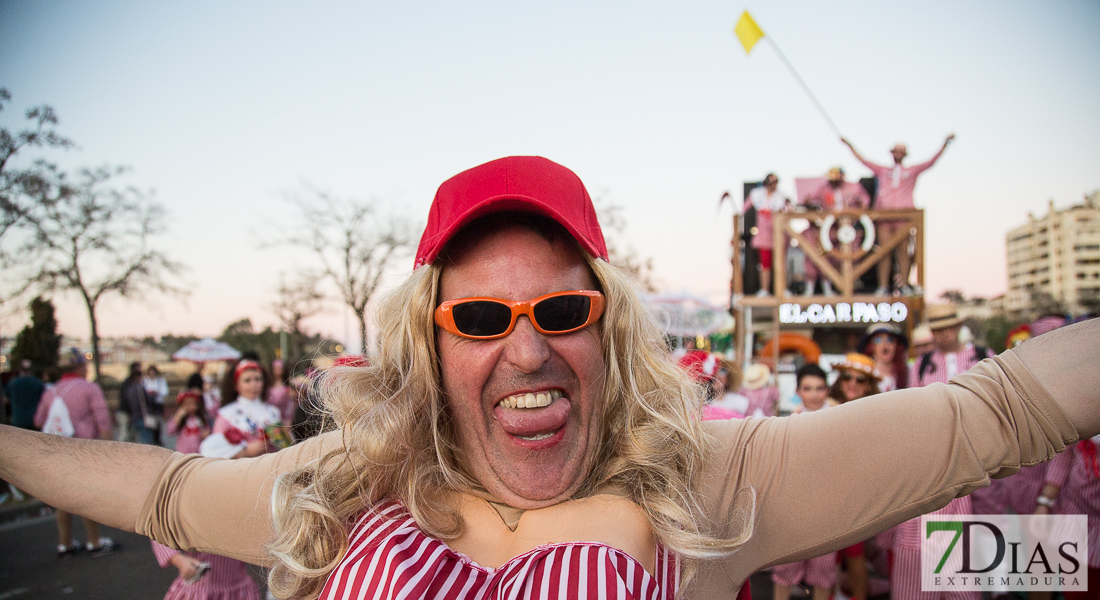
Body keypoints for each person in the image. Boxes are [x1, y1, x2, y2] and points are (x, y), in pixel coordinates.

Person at [0, 156, 1096, 600]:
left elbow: (990, 412)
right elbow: (162, 491)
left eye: (559, 311)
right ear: (429, 345)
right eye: (479, 317)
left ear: (605, 329)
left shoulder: (710, 481)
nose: (524, 351)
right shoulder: (351, 480)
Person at [841, 135, 954, 295]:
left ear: (905, 155)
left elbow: (931, 162)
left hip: (904, 219)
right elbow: (863, 160)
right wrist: (849, 145)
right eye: (896, 151)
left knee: (903, 252)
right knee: (883, 252)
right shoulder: (883, 171)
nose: (898, 154)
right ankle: (883, 286)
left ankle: (904, 285)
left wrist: (944, 145)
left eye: (900, 152)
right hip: (884, 218)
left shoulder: (912, 171)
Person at [33, 354, 119, 557]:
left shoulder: (51, 392)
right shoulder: (90, 388)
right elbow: (103, 421)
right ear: (80, 368)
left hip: (57, 451)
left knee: (61, 498)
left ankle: (65, 543)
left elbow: (38, 421)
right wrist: (110, 450)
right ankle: (94, 541)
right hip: (84, 449)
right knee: (86, 496)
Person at [772, 364, 835, 600]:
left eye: (819, 388)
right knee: (786, 568)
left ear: (827, 390)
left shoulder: (842, 417)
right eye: (808, 388)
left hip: (829, 504)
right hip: (795, 505)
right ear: (798, 391)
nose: (814, 394)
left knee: (823, 569)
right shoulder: (790, 422)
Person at [201, 359, 283, 459]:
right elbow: (213, 451)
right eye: (247, 380)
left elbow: (283, 446)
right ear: (236, 385)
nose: (254, 384)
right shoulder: (227, 414)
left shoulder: (272, 412)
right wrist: (244, 451)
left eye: (257, 379)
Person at [748, 173, 791, 296]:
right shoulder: (757, 195)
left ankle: (783, 289)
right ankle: (764, 289)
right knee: (764, 264)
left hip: (779, 235)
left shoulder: (782, 196)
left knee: (781, 264)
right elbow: (744, 208)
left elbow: (790, 209)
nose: (773, 186)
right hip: (763, 235)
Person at [858, 323, 909, 392]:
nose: (885, 344)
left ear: (897, 346)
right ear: (871, 347)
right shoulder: (864, 372)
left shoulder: (908, 373)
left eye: (890, 339)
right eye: (878, 340)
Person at [5, 359, 44, 430]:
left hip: (17, 419)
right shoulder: (39, 383)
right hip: (34, 421)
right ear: (32, 369)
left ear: (20, 369)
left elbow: (6, 399)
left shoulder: (13, 383)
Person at [167, 390, 210, 454]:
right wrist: (178, 416)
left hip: (198, 452)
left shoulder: (202, 418)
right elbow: (170, 431)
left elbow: (207, 431)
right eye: (187, 404)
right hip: (183, 453)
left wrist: (206, 434)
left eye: (192, 403)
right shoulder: (181, 420)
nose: (190, 406)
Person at [143, 365, 169, 446]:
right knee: (150, 421)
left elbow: (165, 391)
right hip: (149, 404)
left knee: (158, 421)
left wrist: (157, 392)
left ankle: (158, 438)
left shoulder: (160, 381)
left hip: (158, 403)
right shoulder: (145, 381)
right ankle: (151, 438)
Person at [266, 359, 296, 426]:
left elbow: (292, 403)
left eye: (280, 368)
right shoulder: (268, 385)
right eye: (275, 368)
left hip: (286, 418)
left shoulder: (288, 386)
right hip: (272, 417)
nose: (278, 371)